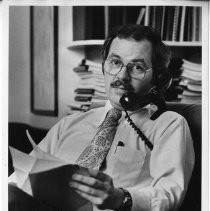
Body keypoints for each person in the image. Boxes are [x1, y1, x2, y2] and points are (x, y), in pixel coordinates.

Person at [9, 24, 195, 211]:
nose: (122, 75)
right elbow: (21, 179)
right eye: (115, 62)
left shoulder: (169, 124)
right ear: (104, 67)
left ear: (158, 79)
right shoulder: (68, 124)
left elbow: (169, 194)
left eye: (137, 67)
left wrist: (121, 198)